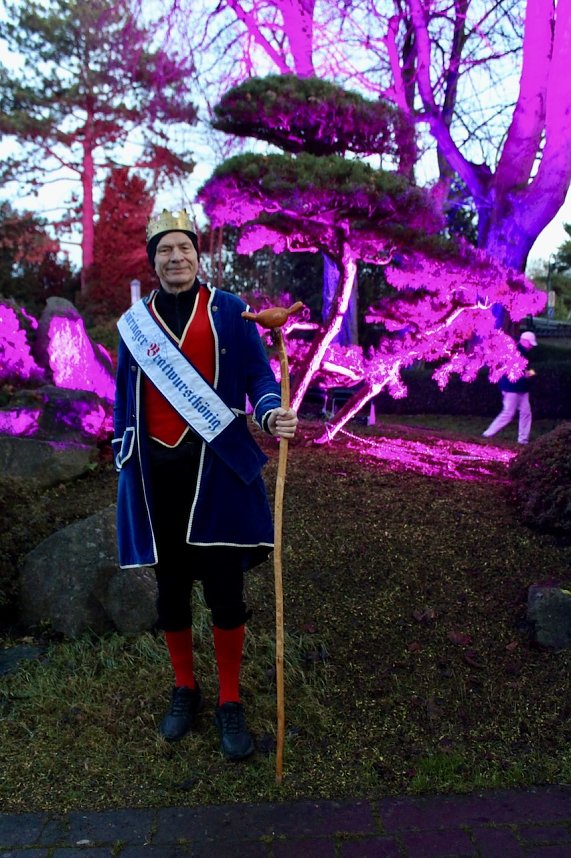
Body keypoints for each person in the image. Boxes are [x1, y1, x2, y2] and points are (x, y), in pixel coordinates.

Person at [113, 209, 298, 761]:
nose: (176, 258)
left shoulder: (231, 312)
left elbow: (259, 377)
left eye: (184, 249)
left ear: (198, 255)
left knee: (224, 591)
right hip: (156, 477)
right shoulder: (135, 324)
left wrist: (270, 413)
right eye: (165, 250)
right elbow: (125, 398)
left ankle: (230, 699)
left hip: (216, 474)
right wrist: (123, 461)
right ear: (154, 260)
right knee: (170, 589)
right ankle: (184, 689)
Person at [482, 330, 538, 445]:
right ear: (523, 341)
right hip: (511, 388)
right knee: (508, 413)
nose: (532, 346)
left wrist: (529, 374)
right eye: (530, 343)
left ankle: (523, 440)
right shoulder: (514, 352)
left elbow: (525, 371)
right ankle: (488, 434)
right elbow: (511, 372)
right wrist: (527, 375)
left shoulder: (523, 353)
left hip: (521, 388)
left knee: (525, 412)